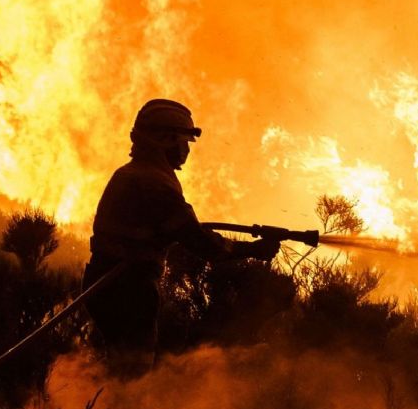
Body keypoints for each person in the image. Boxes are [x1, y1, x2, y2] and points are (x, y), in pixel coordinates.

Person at [82, 98, 280, 379]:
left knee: (120, 367)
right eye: (183, 141)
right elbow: (196, 239)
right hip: (126, 287)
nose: (186, 149)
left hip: (110, 281)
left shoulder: (134, 174)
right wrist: (252, 250)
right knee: (131, 377)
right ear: (164, 139)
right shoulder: (152, 182)